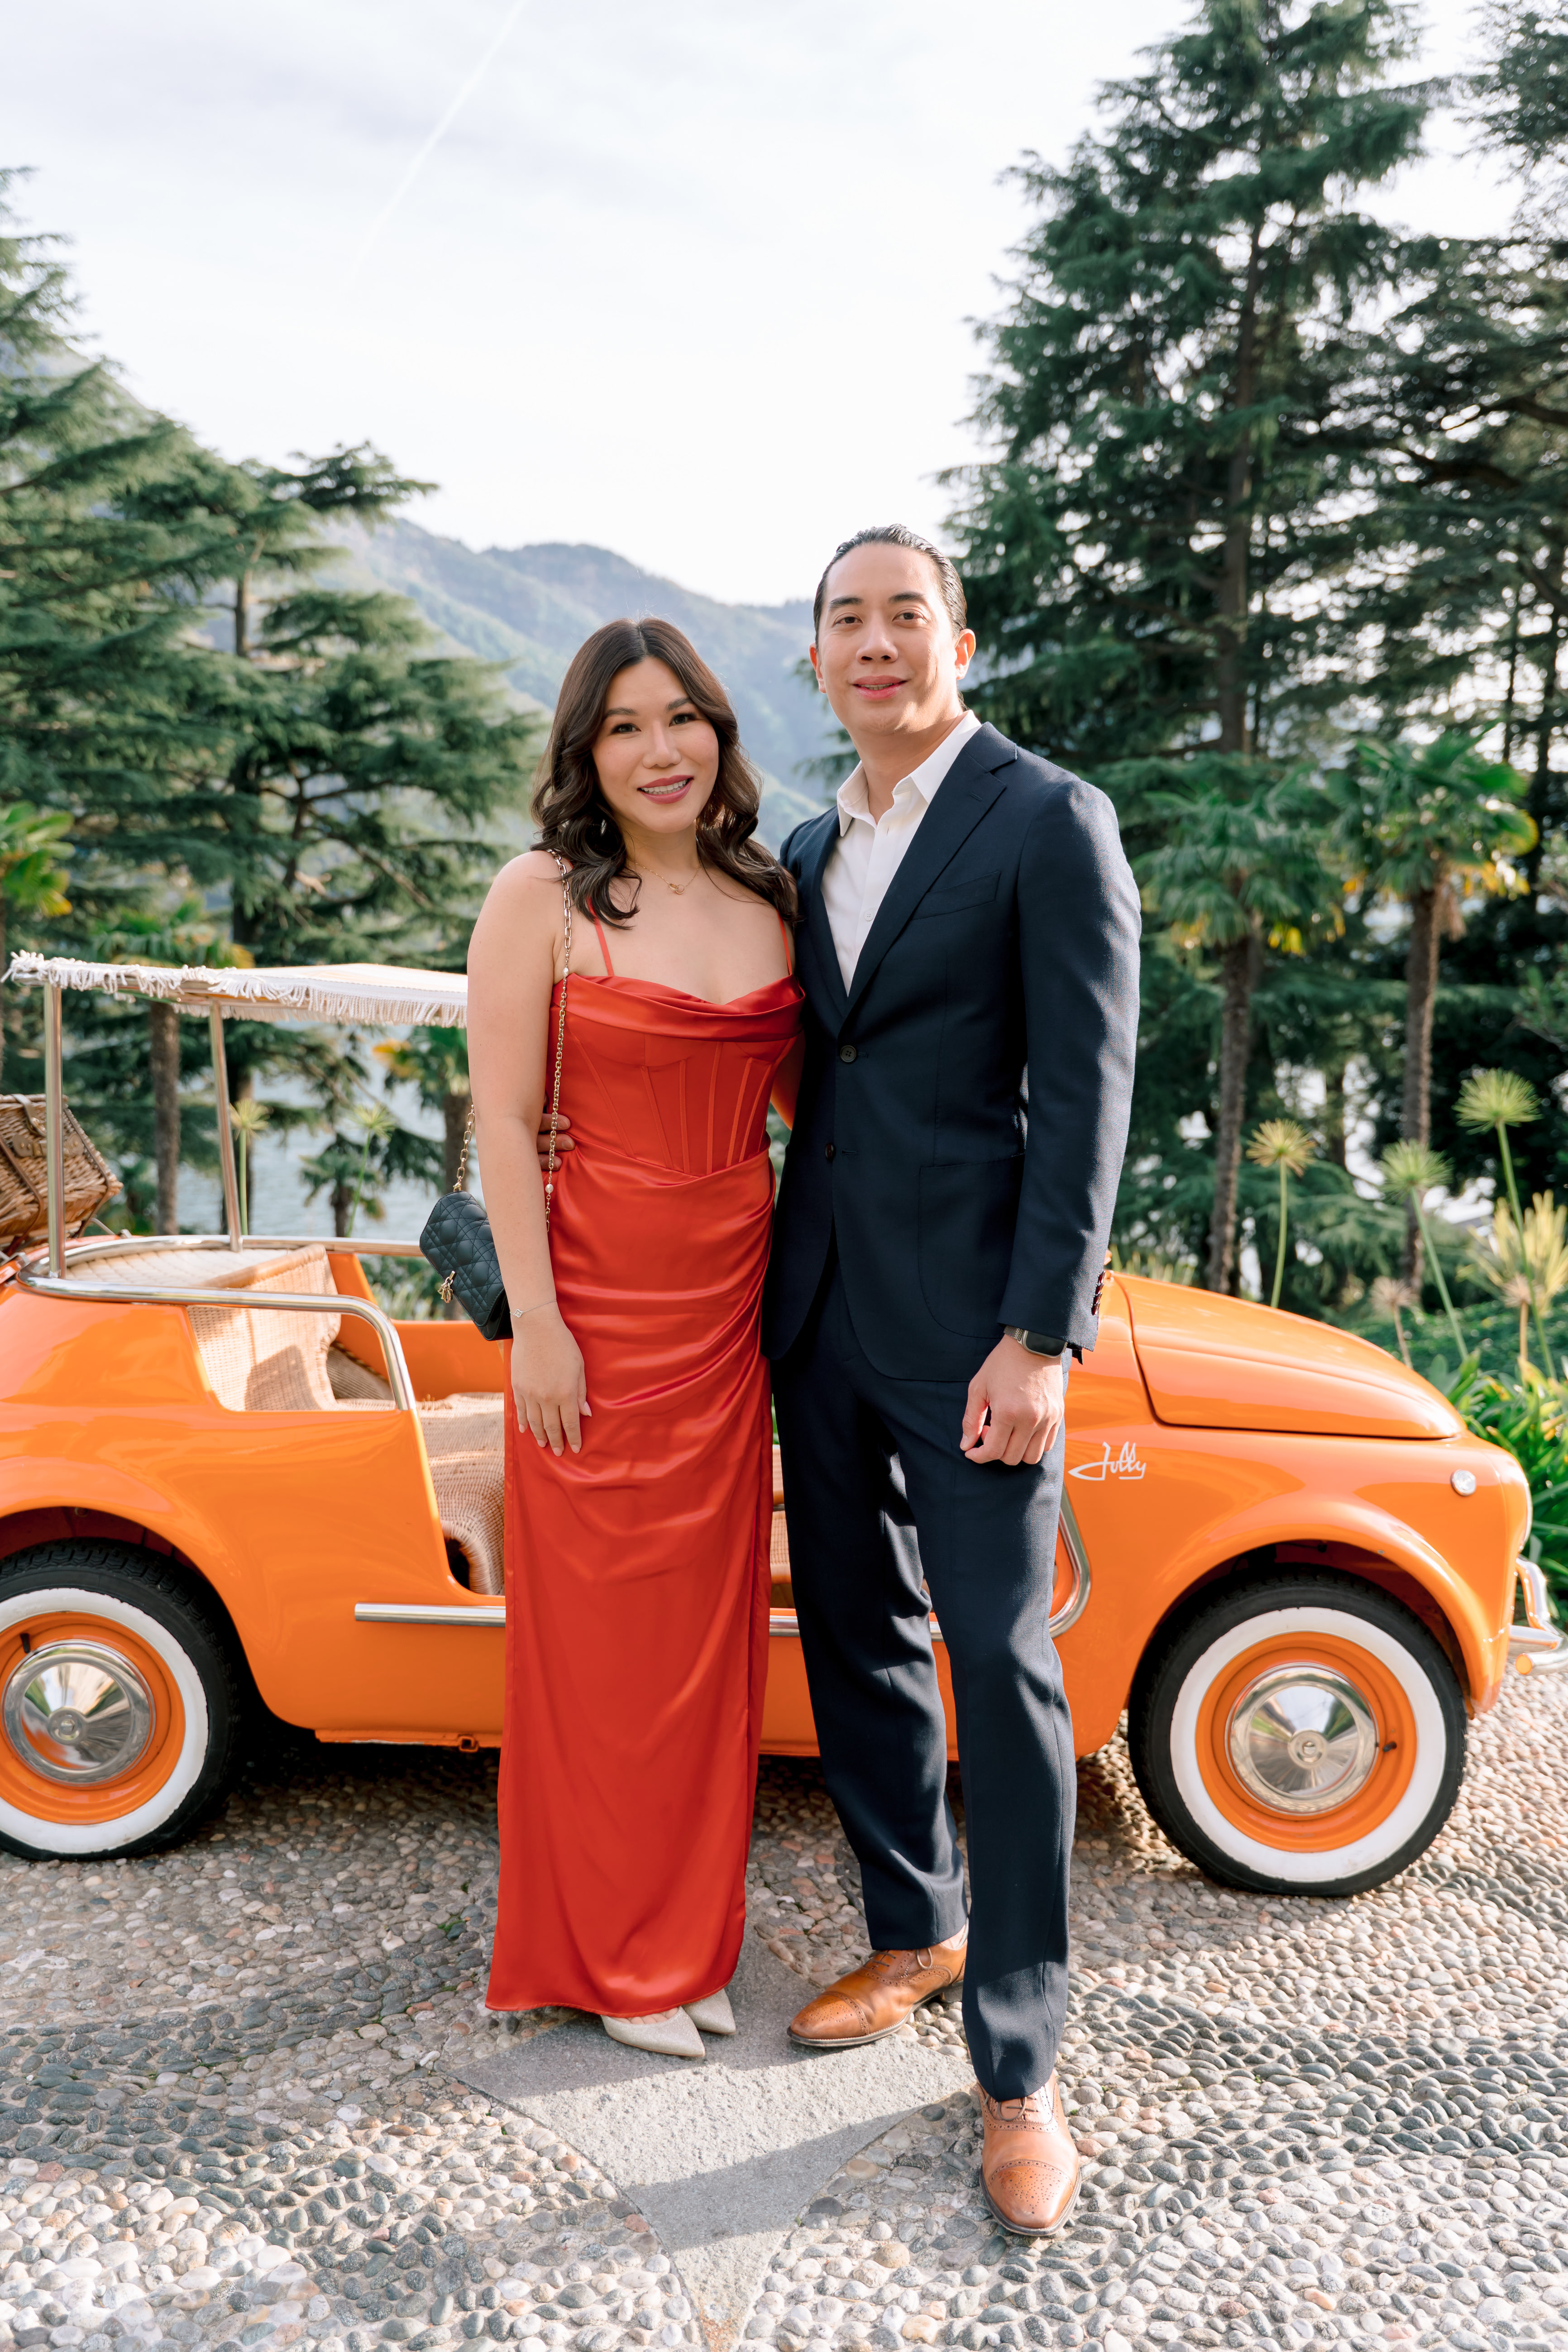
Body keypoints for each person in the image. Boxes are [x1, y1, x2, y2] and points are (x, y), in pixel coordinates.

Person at [763, 526, 1140, 2234]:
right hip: (821, 1312)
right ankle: (913, 1928)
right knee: (856, 1636)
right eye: (846, 619)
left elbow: (1089, 1089)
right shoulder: (808, 843)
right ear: (818, 657)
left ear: (958, 643)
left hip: (981, 1331)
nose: (875, 642)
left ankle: (1023, 2064)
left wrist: (1042, 1337)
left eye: (903, 615)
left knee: (1000, 1662)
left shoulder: (1046, 817)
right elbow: (819, 1069)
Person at [467, 617, 803, 2060]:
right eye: (624, 726)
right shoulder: (541, 895)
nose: (660, 749)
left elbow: (819, 1112)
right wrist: (537, 1324)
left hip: (731, 1317)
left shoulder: (775, 896)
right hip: (591, 1313)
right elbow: (500, 1116)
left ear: (719, 731)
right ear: (586, 753)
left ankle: (685, 1937)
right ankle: (611, 1956)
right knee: (601, 1651)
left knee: (704, 1649)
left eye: (683, 718)